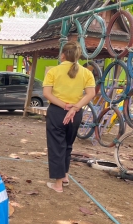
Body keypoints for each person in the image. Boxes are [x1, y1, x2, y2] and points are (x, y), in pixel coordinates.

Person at [43, 41, 95, 193]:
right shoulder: (87, 73)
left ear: (63, 55)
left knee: (56, 146)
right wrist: (75, 108)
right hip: (76, 113)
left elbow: (47, 94)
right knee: (67, 145)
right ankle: (65, 175)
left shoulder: (54, 71)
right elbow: (91, 94)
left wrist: (64, 106)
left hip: (57, 112)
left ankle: (58, 185)